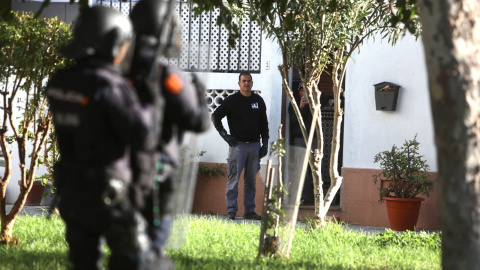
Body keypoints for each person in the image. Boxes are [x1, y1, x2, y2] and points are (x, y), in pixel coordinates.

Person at [46, 6, 157, 270]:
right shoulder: (108, 85)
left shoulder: (59, 80)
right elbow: (143, 134)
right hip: (109, 194)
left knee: (83, 261)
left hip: (72, 191)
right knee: (137, 259)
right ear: (113, 42)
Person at [128, 0, 211, 264]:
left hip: (119, 169)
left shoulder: (115, 69)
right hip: (155, 173)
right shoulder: (167, 75)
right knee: (152, 249)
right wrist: (198, 94)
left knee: (126, 247)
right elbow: (198, 122)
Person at [211, 72, 269, 220]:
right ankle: (231, 210)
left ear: (252, 83)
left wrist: (265, 143)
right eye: (244, 81)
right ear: (239, 83)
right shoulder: (232, 101)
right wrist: (225, 135)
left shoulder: (258, 101)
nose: (247, 83)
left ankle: (249, 211)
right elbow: (215, 116)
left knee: (251, 180)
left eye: (249, 81)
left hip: (255, 146)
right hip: (237, 146)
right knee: (233, 179)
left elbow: (264, 124)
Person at [288, 83, 316, 205]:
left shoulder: (315, 102)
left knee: (313, 168)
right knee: (301, 168)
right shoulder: (294, 104)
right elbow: (294, 120)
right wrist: (301, 107)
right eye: (301, 90)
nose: (303, 92)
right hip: (300, 139)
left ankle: (314, 196)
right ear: (298, 92)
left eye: (306, 90)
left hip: (314, 139)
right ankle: (303, 196)